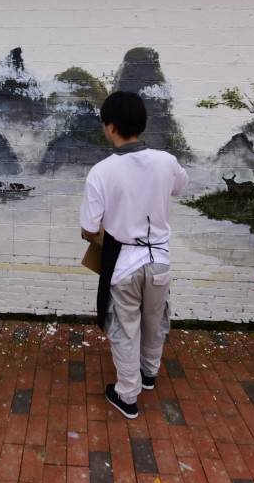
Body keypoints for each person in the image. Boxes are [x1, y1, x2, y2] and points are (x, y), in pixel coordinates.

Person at [79, 91, 189, 419]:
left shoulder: (102, 171)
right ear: (141, 124)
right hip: (160, 261)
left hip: (124, 262)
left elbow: (88, 227)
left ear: (111, 127)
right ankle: (149, 374)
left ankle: (127, 395)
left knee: (125, 327)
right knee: (155, 321)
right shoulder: (166, 161)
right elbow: (181, 187)